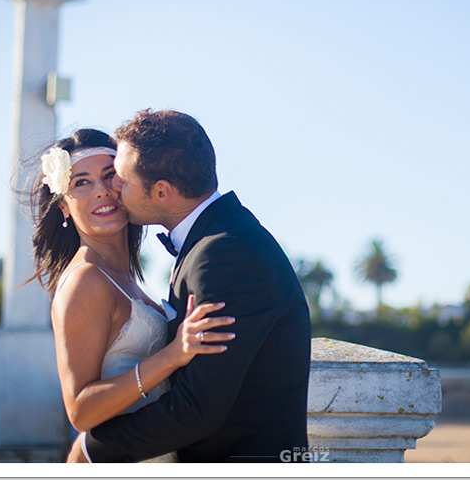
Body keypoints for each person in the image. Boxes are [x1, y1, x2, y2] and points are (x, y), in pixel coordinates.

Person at [74, 109, 312, 463]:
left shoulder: (225, 253)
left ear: (161, 191)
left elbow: (198, 409)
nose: (114, 190)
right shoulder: (222, 238)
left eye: (121, 180)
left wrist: (91, 450)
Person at [27, 128, 236, 463]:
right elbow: (80, 410)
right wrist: (172, 355)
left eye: (110, 176)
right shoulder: (85, 281)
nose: (102, 191)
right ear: (64, 206)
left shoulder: (125, 279)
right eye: (81, 182)